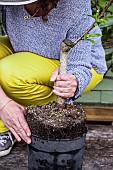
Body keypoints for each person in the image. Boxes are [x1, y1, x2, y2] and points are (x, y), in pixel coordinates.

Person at [0, 0, 107, 157]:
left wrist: (74, 81)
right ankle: (9, 117)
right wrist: (3, 104)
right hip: (25, 50)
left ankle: (46, 116)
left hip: (77, 63)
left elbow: (80, 63)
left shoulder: (75, 3)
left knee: (7, 73)